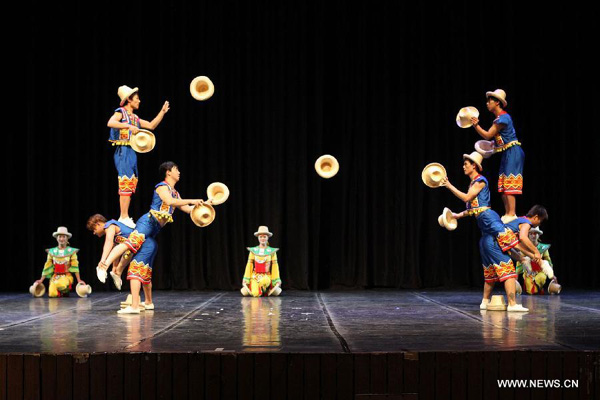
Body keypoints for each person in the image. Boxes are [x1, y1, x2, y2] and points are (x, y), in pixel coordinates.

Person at [99, 162, 207, 313]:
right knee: (131, 243)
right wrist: (192, 200)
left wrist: (205, 205)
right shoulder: (162, 187)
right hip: (148, 222)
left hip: (154, 229)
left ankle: (118, 273)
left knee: (137, 251)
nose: (179, 172)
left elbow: (188, 209)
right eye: (176, 169)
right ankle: (104, 266)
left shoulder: (175, 193)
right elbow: (170, 202)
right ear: (168, 172)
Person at [442, 152, 529, 311]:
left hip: (489, 219)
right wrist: (457, 215)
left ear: (474, 165)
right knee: (491, 267)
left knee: (508, 242)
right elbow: (473, 209)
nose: (463, 167)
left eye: (466, 164)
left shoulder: (480, 181)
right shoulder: (473, 183)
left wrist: (449, 185)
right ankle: (485, 301)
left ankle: (513, 301)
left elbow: (467, 199)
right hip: (485, 229)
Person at [107, 85, 170, 228]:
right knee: (125, 181)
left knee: (130, 183)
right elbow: (110, 122)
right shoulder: (121, 112)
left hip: (131, 151)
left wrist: (162, 112)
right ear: (129, 100)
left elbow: (151, 126)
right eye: (137, 98)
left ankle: (125, 215)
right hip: (123, 150)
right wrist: (128, 127)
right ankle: (123, 216)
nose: (139, 101)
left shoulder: (134, 118)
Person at [470, 89, 524, 223]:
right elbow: (498, 140)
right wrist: (491, 147)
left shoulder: (503, 118)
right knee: (504, 183)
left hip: (513, 152)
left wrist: (476, 126)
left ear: (497, 103)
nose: (487, 103)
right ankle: (507, 213)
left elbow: (488, 134)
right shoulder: (499, 119)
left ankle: (512, 214)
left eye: (490, 101)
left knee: (510, 182)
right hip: (507, 152)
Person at [34, 227, 86, 297]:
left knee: (61, 284)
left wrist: (79, 280)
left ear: (67, 238)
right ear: (56, 238)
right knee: (52, 294)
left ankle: (64, 290)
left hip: (66, 277)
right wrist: (41, 280)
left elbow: (75, 266)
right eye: (59, 236)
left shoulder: (71, 251)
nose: (61, 239)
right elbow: (47, 266)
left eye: (64, 237)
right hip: (55, 277)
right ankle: (61, 292)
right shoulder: (52, 252)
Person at [86, 214, 134, 290]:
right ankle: (117, 272)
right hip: (131, 246)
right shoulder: (113, 233)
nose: (94, 233)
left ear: (98, 224)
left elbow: (109, 242)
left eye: (94, 229)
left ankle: (103, 267)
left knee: (129, 251)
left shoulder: (110, 225)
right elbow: (116, 250)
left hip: (136, 242)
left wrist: (102, 260)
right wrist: (114, 266)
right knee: (128, 252)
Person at [241, 226, 282, 297]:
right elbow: (249, 265)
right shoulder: (253, 251)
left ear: (267, 237)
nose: (262, 238)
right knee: (255, 294)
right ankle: (260, 289)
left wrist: (276, 280)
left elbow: (275, 267)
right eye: (261, 236)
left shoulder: (272, 251)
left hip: (266, 276)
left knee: (264, 281)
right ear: (258, 238)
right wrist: (246, 279)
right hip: (255, 276)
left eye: (264, 236)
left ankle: (265, 288)